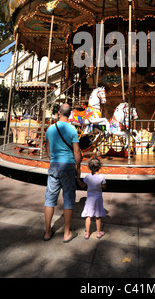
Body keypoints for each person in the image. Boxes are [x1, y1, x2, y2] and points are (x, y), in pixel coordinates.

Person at [44, 103, 82, 242]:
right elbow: (77, 151)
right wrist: (78, 168)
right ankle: (66, 233)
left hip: (54, 166)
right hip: (68, 166)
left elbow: (47, 150)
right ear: (70, 113)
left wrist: (53, 159)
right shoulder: (72, 129)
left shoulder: (50, 129)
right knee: (68, 199)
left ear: (59, 112)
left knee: (49, 199)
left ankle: (48, 232)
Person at [77, 156, 106, 239]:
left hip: (89, 199)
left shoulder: (88, 177)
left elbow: (82, 185)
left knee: (88, 216)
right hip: (98, 199)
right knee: (98, 216)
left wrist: (78, 180)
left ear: (89, 167)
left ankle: (87, 233)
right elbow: (104, 187)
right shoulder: (101, 177)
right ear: (99, 167)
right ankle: (99, 233)